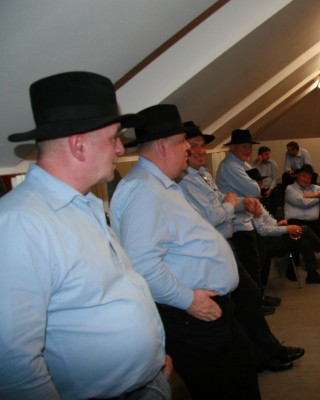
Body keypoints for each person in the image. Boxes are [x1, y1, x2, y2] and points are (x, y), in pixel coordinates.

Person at [0, 71, 170, 399]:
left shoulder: (83, 205)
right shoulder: (18, 223)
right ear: (78, 144)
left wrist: (150, 362)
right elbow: (9, 367)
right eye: (114, 138)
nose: (120, 148)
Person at [110, 105, 261, 400]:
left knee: (242, 369)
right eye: (183, 142)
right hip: (192, 315)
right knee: (218, 388)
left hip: (209, 308)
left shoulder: (161, 185)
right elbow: (142, 264)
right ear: (163, 146)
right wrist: (190, 300)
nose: (189, 150)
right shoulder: (143, 191)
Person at [178, 126, 305, 372]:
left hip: (224, 244)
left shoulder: (202, 174)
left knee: (246, 300)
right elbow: (213, 215)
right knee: (245, 300)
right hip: (215, 248)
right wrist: (231, 203)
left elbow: (225, 201)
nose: (200, 151)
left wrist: (241, 203)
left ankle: (262, 353)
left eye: (203, 146)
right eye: (193, 146)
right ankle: (263, 353)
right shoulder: (185, 182)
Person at [246, 168, 320, 285]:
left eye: (261, 183)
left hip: (277, 232)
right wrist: (286, 229)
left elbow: (268, 221)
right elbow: (262, 230)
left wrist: (277, 224)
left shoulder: (256, 200)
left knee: (305, 238)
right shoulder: (250, 202)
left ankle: (313, 273)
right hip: (265, 242)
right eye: (258, 183)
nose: (261, 186)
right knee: (303, 230)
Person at [216, 130, 275, 304]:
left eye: (249, 147)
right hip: (237, 225)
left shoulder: (241, 164)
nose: (248, 150)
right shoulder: (230, 166)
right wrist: (255, 187)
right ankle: (255, 303)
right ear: (232, 147)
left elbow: (257, 185)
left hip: (246, 221)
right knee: (251, 266)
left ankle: (259, 297)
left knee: (259, 260)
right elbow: (255, 189)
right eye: (244, 146)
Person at [252, 146, 280, 216]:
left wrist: (270, 189)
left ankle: (273, 214)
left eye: (269, 154)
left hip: (270, 188)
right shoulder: (254, 164)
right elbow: (253, 176)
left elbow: (275, 178)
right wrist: (258, 163)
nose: (268, 156)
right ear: (260, 155)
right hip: (259, 188)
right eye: (266, 154)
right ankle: (259, 215)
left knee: (276, 191)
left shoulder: (273, 163)